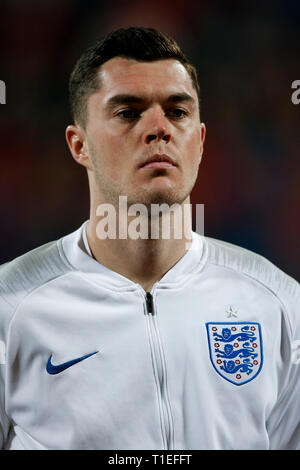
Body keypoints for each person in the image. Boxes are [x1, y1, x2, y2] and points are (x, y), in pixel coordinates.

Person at [0, 26, 299, 451]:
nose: (158, 127)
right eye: (128, 112)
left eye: (177, 112)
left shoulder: (280, 305)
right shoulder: (11, 307)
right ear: (78, 144)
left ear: (199, 141)